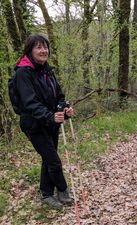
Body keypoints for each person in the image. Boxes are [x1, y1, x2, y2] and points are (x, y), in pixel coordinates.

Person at [14, 34, 74, 210]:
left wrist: (65, 109)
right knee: (53, 160)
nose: (43, 51)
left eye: (45, 47)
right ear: (30, 51)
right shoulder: (23, 73)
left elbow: (59, 96)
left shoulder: (47, 70)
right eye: (38, 47)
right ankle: (62, 190)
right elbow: (29, 103)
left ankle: (46, 193)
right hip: (33, 125)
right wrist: (49, 116)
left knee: (48, 159)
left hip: (51, 123)